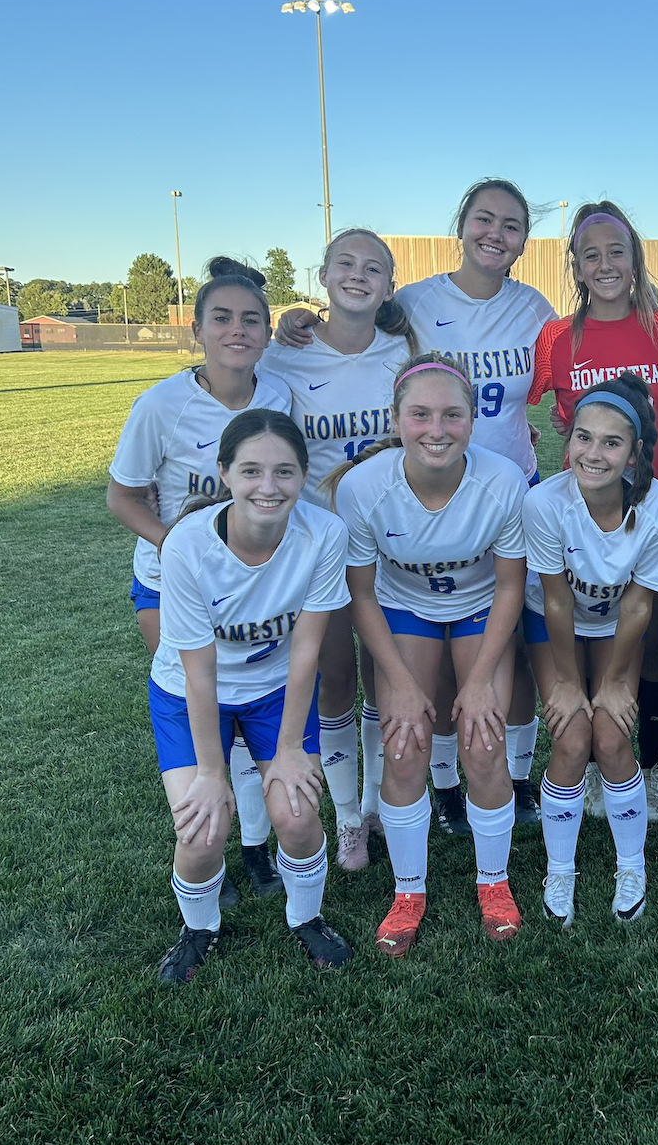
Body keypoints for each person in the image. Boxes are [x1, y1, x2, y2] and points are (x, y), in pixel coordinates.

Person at [277, 183, 558, 836]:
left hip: (504, 490)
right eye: (483, 219)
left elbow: (557, 379)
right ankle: (434, 786)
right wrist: (301, 316)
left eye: (511, 225)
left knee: (507, 645)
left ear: (524, 241)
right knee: (412, 646)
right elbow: (354, 319)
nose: (495, 233)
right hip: (404, 497)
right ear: (461, 226)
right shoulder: (415, 304)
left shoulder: (536, 309)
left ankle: (515, 776)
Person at [331, 358, 530, 956]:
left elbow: (510, 587)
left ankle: (493, 881)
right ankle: (408, 891)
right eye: (420, 415)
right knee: (404, 745)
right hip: (404, 610)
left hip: (479, 609)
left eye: (452, 415)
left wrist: (479, 681)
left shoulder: (502, 481)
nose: (436, 430)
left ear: (473, 420)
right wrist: (398, 682)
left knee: (484, 742)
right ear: (396, 421)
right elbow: (362, 594)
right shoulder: (363, 487)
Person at [108, 259, 291, 903]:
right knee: (200, 709)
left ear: (267, 333)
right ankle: (208, 845)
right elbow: (122, 497)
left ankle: (256, 848)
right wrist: (179, 548)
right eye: (222, 318)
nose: (237, 330)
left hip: (255, 587)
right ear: (197, 330)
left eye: (251, 320)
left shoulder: (279, 396)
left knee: (247, 710)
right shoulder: (161, 405)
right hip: (170, 585)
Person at [150, 408, 353, 984]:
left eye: (285, 472)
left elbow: (307, 652)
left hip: (274, 690)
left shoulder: (324, 534)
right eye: (252, 471)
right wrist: (212, 775)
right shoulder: (186, 545)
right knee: (202, 830)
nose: (269, 486)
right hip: (189, 692)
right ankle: (199, 930)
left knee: (297, 815)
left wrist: (289, 750)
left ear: (303, 475)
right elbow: (200, 674)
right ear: (225, 473)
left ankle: (306, 918)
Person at [259, 229, 414, 872]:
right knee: (336, 679)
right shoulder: (284, 356)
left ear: (389, 285)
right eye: (344, 263)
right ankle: (347, 816)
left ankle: (375, 804)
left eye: (373, 268)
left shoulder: (404, 350)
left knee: (383, 677)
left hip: (390, 542)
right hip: (318, 546)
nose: (357, 275)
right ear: (321, 276)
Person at [529, 202, 658, 820]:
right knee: (589, 634)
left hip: (653, 506)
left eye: (616, 251)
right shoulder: (557, 338)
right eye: (590, 254)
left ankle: (648, 765)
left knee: (652, 643)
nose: (604, 264)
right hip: (587, 508)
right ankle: (597, 762)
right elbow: (545, 411)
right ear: (575, 265)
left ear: (636, 258)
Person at [524, 373, 658, 927]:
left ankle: (631, 867)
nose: (593, 454)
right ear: (568, 439)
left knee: (613, 738)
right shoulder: (544, 502)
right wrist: (569, 684)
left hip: (617, 624)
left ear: (634, 453)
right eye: (583, 437)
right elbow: (555, 600)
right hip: (557, 623)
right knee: (571, 739)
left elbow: (639, 606)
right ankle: (560, 870)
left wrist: (614, 683)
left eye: (611, 443)